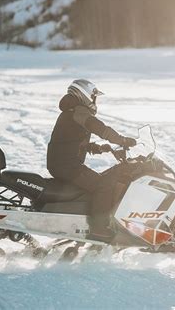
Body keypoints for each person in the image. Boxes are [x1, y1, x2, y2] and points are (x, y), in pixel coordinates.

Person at [47, 79, 136, 240]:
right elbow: (99, 128)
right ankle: (99, 229)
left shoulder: (71, 111)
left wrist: (102, 148)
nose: (95, 101)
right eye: (94, 97)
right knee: (103, 184)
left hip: (62, 163)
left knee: (99, 182)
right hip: (67, 166)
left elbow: (72, 142)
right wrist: (121, 140)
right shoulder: (78, 111)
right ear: (85, 95)